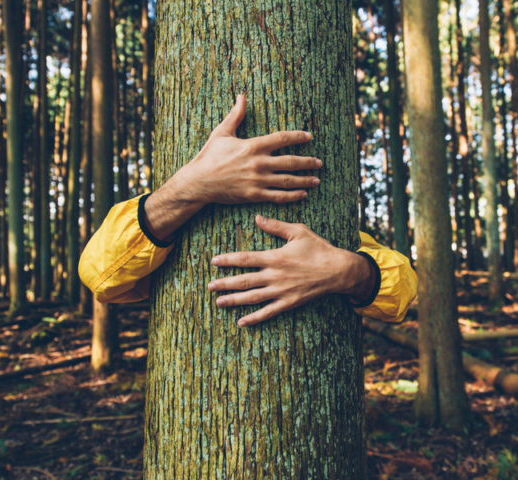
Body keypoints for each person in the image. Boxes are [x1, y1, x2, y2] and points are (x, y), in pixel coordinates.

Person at [79, 95, 417, 327]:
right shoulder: (170, 223)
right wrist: (191, 186)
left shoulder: (330, 232)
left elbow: (403, 289)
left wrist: (347, 270)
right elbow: (99, 274)